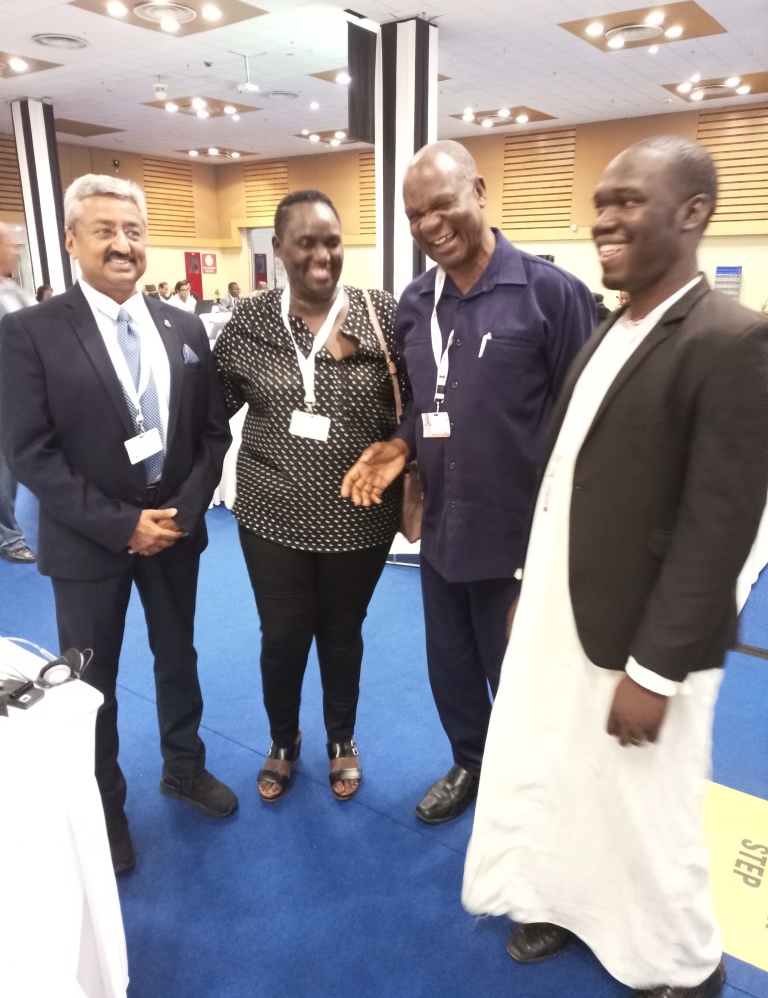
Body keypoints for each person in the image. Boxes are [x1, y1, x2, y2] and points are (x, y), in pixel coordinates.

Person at [462, 137, 768, 998]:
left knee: (649, 809)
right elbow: (565, 479)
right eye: (600, 202)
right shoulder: (612, 326)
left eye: (628, 200)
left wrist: (655, 669)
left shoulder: (734, 340)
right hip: (564, 611)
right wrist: (530, 587)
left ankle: (686, 967)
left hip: (645, 636)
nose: (604, 219)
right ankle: (564, 902)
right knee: (562, 770)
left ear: (694, 212)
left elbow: (719, 527)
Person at [341, 140, 595, 824]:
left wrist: (568, 552)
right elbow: (426, 404)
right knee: (450, 669)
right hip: (443, 532)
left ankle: (535, 793)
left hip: (519, 540)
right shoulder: (415, 304)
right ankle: (472, 763)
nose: (429, 225)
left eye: (442, 204)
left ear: (479, 192)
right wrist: (401, 444)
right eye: (414, 215)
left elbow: (586, 425)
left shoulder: (552, 293)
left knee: (523, 682)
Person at [0, 174, 237, 875]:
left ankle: (184, 767)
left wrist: (182, 513)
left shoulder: (181, 326)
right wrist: (122, 524)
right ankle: (104, 809)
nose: (122, 244)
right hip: (87, 543)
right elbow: (31, 453)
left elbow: (212, 433)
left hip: (174, 535)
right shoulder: (29, 333)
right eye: (104, 230)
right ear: (72, 240)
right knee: (89, 682)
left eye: (133, 231)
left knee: (178, 656)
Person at [214, 189, 400, 803]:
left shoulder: (379, 313)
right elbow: (211, 412)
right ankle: (283, 739)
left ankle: (341, 738)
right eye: (306, 243)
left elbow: (417, 403)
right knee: (283, 635)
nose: (322, 255)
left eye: (332, 242)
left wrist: (400, 449)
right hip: (271, 514)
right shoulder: (250, 322)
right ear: (278, 249)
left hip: (360, 517)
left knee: (343, 631)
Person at [0, 223, 36, 564]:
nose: (14, 251)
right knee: (4, 470)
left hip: (28, 393)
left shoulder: (14, 291)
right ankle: (9, 538)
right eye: (7, 245)